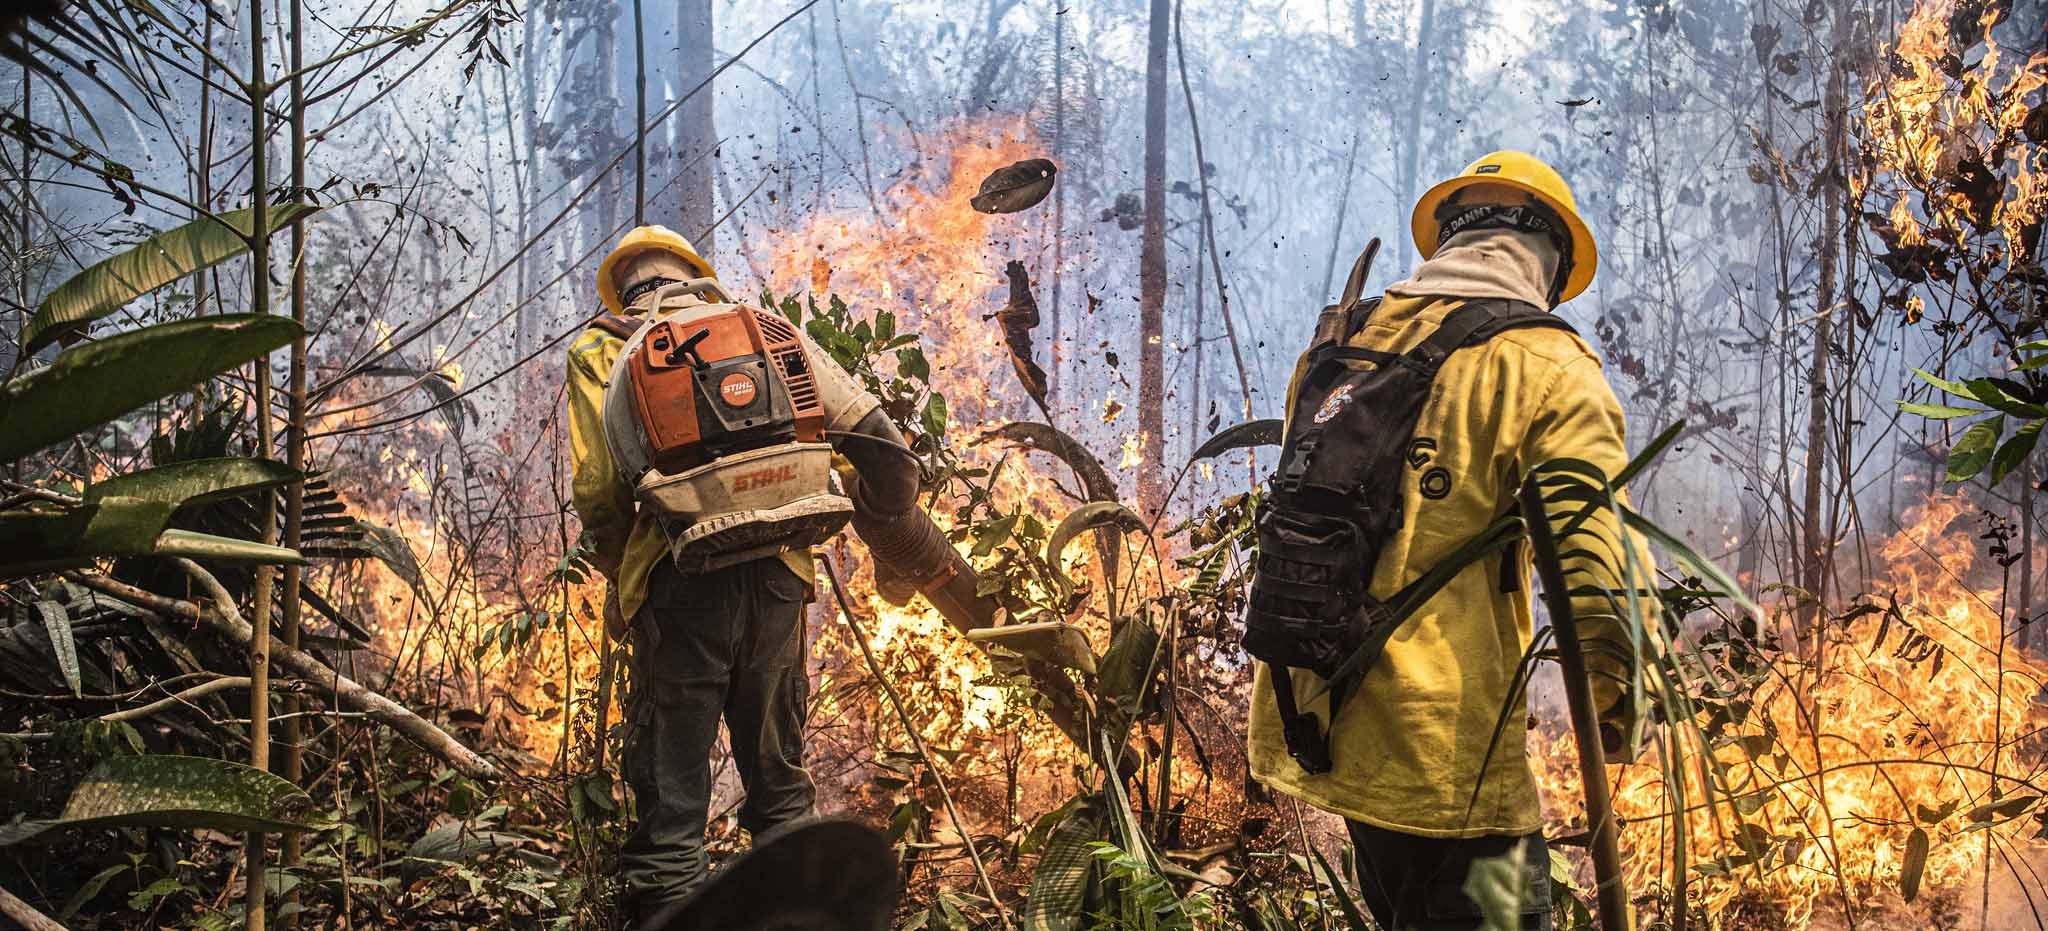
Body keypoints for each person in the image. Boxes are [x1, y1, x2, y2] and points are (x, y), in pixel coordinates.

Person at [1245, 151, 1654, 931]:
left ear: (1449, 240)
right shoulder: (1548, 364)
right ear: (1549, 260)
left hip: (1320, 721)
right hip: (1448, 764)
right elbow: (1598, 572)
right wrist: (1617, 703)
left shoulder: (1345, 342)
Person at [564, 226, 876, 923]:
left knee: (673, 798)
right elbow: (839, 448)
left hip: (677, 579)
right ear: (693, 275)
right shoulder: (756, 330)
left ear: (625, 286)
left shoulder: (600, 347)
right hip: (777, 576)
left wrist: (621, 579)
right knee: (781, 782)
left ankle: (671, 909)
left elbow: (598, 486)